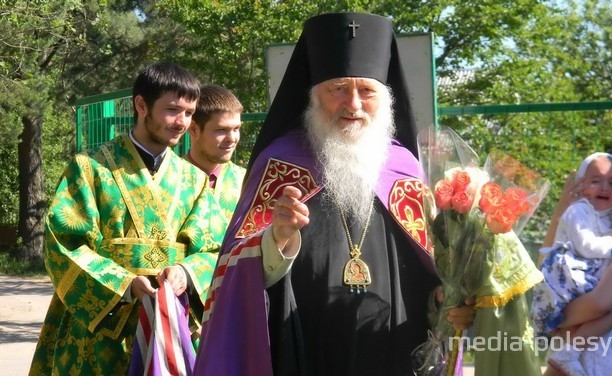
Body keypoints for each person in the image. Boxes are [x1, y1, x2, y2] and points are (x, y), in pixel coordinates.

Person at [193, 13, 474, 376]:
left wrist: (443, 300)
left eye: (367, 91)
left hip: (394, 351)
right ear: (313, 97)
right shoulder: (279, 164)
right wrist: (277, 240)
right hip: (303, 348)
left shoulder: (405, 168)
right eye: (337, 89)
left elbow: (431, 273)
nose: (353, 104)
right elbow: (234, 273)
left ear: (385, 99)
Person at [29, 62, 224, 375]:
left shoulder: (195, 180)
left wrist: (186, 273)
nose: (181, 122)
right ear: (141, 105)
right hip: (99, 329)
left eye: (189, 113)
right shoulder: (89, 168)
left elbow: (215, 249)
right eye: (173, 110)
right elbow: (64, 243)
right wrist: (123, 283)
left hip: (170, 327)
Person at [542, 147, 612, 376]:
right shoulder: (604, 222)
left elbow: (600, 304)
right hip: (590, 344)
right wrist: (563, 211)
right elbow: (548, 262)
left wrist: (550, 316)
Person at [186, 84, 246, 229]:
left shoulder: (246, 181)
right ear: (194, 129)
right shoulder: (172, 178)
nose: (232, 138)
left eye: (236, 129)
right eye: (221, 130)